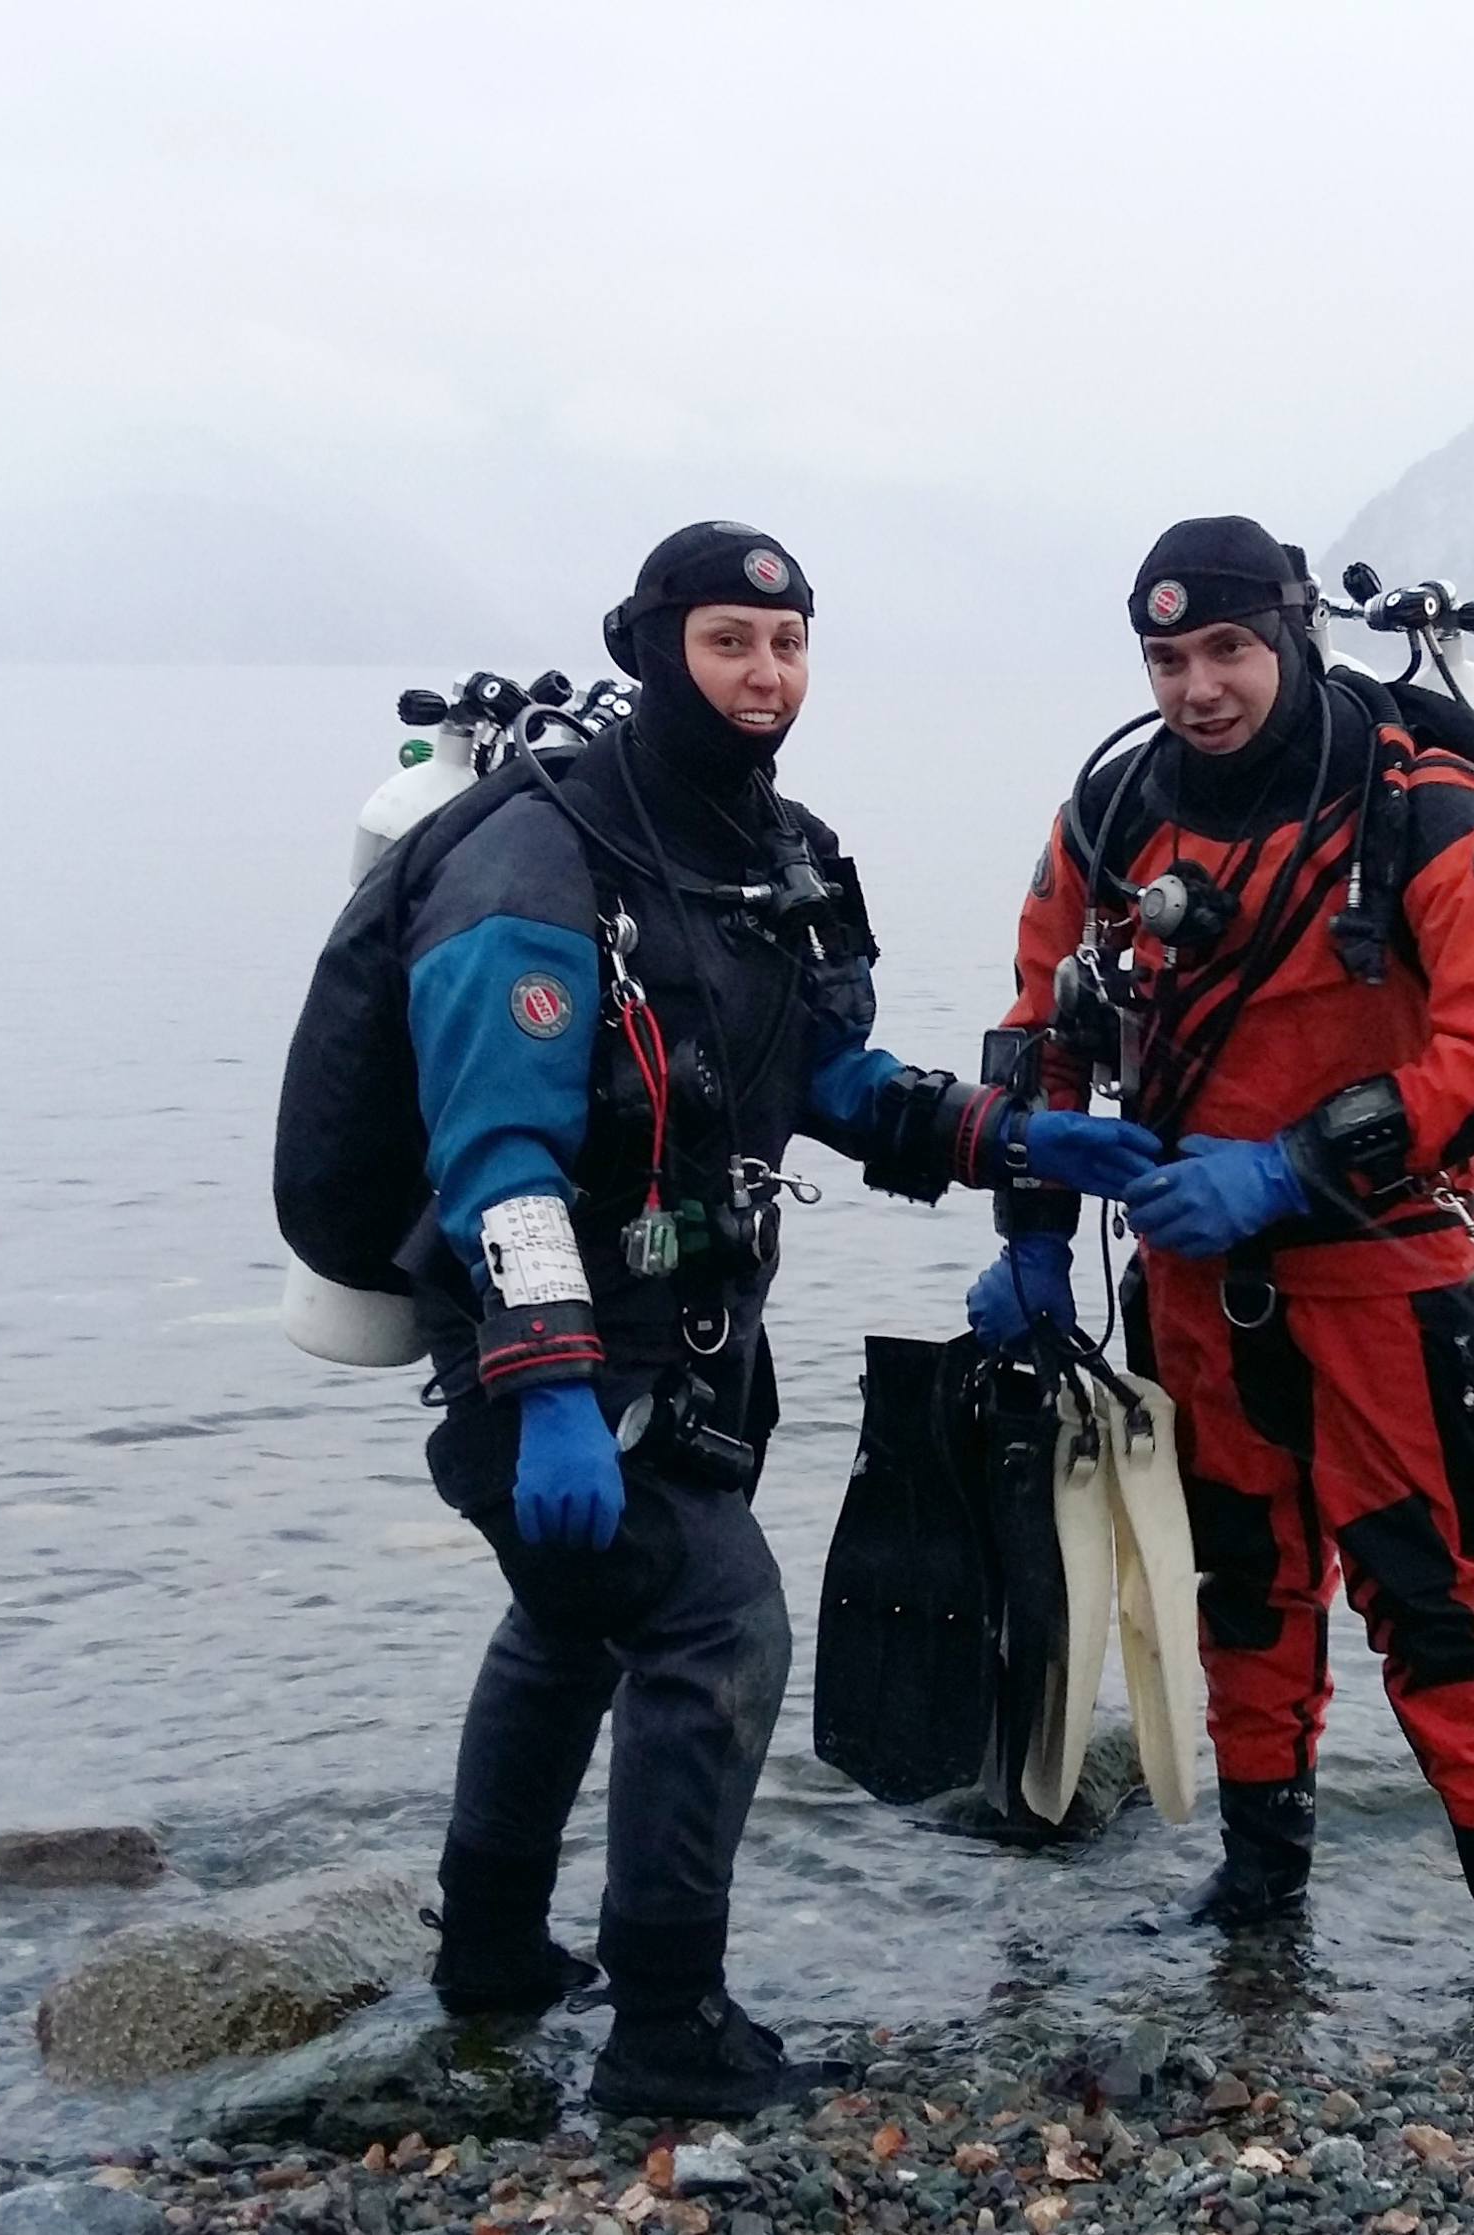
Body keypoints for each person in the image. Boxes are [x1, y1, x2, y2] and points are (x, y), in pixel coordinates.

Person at [398, 521, 1159, 2114]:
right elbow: (494, 1156)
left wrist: (1013, 1141)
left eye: (788, 643)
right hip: (541, 1345)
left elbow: (827, 1083)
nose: (763, 675)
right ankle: (667, 2030)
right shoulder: (535, 861)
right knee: (714, 1624)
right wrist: (539, 1387)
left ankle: (490, 1960)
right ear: (647, 646)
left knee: (569, 1626)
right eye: (728, 642)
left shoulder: (772, 854)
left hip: (685, 1344)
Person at [973, 514, 1474, 2005]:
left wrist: (1289, 1165)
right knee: (1243, 1583)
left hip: (1382, 1274)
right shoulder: (1112, 815)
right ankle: (1261, 1879)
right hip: (1199, 1283)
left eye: (1223, 649)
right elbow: (1039, 1026)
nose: (1196, 686)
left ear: (1289, 635)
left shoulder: (1429, 806)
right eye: (1164, 657)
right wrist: (1026, 1228)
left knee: (1438, 1595)